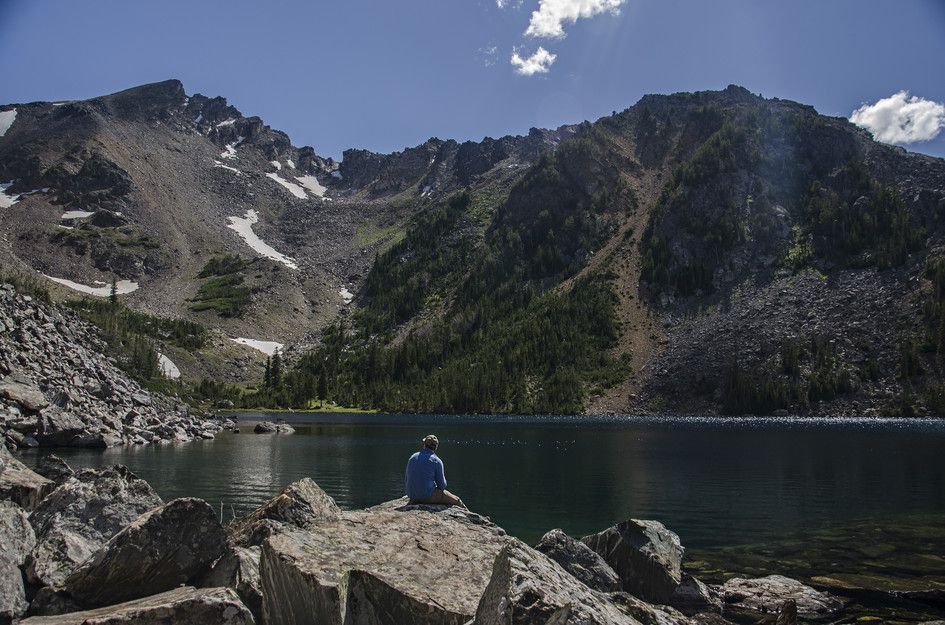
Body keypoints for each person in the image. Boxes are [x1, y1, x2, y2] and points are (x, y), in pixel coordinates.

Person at [405, 434, 465, 507]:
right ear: (436, 447)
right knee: (458, 501)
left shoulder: (413, 457)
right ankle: (469, 516)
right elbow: (442, 486)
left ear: (424, 444)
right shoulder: (436, 461)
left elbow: (407, 478)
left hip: (412, 495)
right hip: (426, 496)